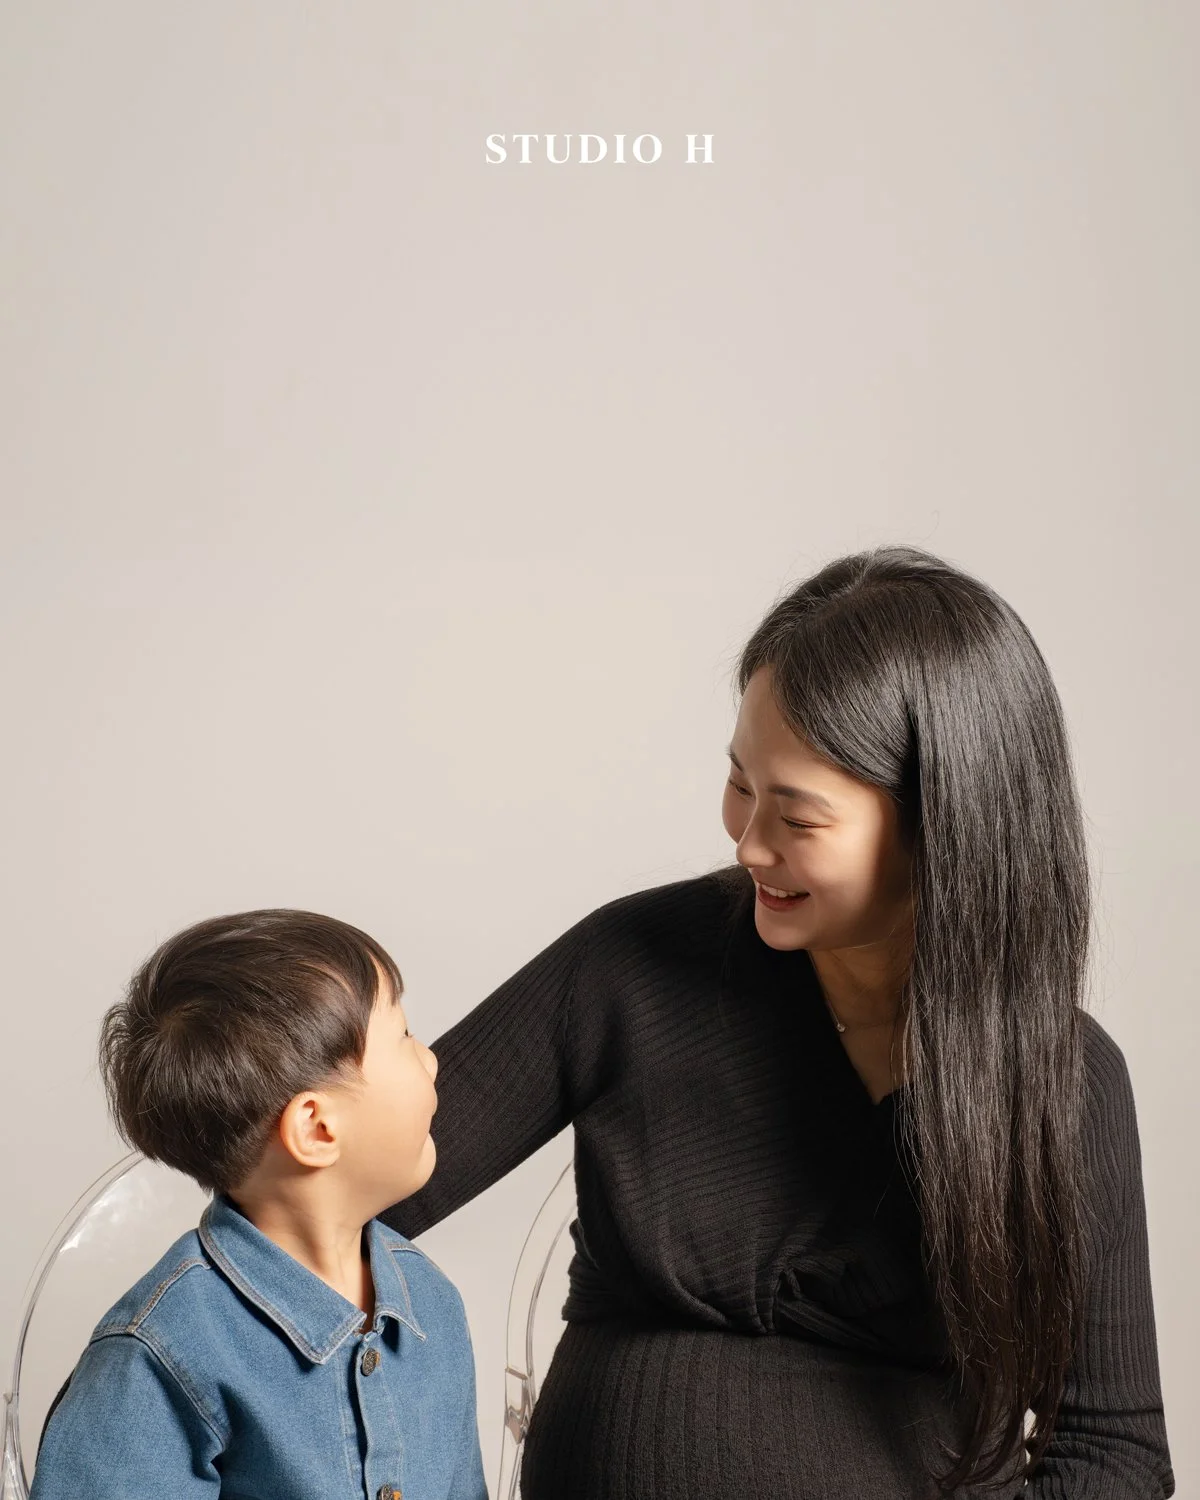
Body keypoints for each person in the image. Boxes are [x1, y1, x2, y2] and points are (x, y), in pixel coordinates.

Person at [385, 545, 1175, 1500]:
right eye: (740, 784)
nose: (747, 839)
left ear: (944, 826)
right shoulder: (632, 965)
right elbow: (332, 1194)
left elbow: (1113, 1452)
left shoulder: (1068, 1081)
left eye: (797, 817)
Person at [32, 910, 488, 1500]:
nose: (432, 1059)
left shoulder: (431, 1305)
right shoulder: (159, 1355)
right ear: (318, 1128)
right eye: (402, 1037)